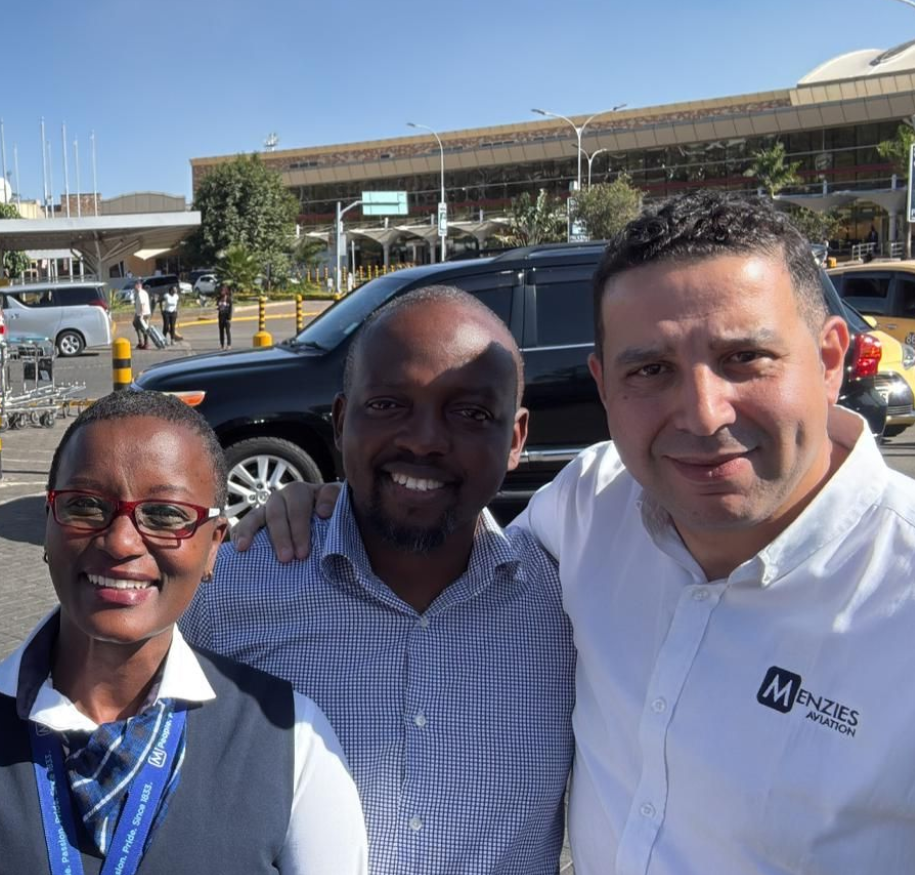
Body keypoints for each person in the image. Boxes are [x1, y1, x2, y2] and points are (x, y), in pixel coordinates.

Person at [234, 190, 915, 873]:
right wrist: (334, 498)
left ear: (830, 360)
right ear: (603, 384)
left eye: (743, 358)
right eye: (650, 369)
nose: (703, 414)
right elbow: (445, 530)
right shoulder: (591, 506)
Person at [0, 390, 368, 874]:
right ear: (48, 525)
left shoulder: (290, 739)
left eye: (166, 514)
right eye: (84, 505)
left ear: (214, 545)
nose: (121, 541)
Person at [183, 287, 573, 874]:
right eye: (390, 404)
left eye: (469, 413)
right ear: (341, 421)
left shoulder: (570, 605)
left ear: (515, 439)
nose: (423, 440)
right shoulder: (230, 588)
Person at [133, 280, 152, 349]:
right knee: (136, 324)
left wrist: (141, 315)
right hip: (141, 313)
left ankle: (145, 343)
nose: (134, 287)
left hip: (143, 314)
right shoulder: (140, 293)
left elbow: (143, 304)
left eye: (135, 285)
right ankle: (141, 342)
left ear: (138, 286)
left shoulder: (141, 293)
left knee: (143, 328)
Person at [216, 285, 234, 350]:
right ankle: (222, 345)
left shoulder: (228, 299)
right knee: (221, 332)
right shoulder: (219, 298)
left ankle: (229, 345)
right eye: (221, 291)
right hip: (221, 317)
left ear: (226, 291)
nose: (221, 292)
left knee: (227, 331)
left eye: (223, 291)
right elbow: (218, 306)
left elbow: (231, 309)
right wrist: (218, 307)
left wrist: (229, 318)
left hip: (226, 318)